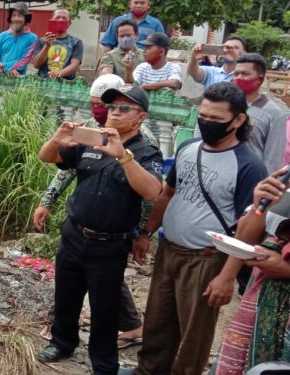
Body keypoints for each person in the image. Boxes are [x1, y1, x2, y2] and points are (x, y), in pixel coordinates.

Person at [124, 82, 268, 375]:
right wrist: (146, 233)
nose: (206, 123)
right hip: (169, 251)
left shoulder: (248, 165)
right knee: (157, 322)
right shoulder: (188, 147)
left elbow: (247, 229)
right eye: (203, 116)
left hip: (207, 258)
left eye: (216, 120)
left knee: (194, 334)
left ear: (238, 120)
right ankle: (148, 370)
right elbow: (168, 192)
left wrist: (227, 276)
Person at [36, 85, 164, 374]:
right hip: (73, 235)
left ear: (140, 117)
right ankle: (62, 342)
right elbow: (48, 157)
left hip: (109, 244)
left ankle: (104, 363)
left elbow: (151, 191)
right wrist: (57, 139)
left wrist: (123, 156)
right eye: (112, 107)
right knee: (66, 295)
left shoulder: (146, 151)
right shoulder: (91, 141)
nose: (114, 112)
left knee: (104, 307)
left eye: (123, 108)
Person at [212, 167, 290, 374]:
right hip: (261, 301)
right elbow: (246, 237)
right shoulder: (283, 182)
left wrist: (286, 269)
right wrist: (259, 205)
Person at [236, 53, 287, 174]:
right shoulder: (226, 104)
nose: (238, 78)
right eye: (236, 73)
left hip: (249, 178)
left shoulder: (274, 114)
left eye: (245, 74)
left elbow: (272, 159)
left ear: (260, 79)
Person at [0, 2, 37, 78]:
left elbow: (22, 62)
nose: (16, 19)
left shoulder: (32, 38)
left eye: (20, 15)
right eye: (14, 15)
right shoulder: (2, 35)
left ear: (26, 18)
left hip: (18, 79)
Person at [32, 8, 83, 80]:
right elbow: (36, 65)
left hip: (67, 83)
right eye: (57, 17)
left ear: (69, 23)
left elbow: (74, 65)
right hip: (43, 82)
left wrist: (58, 73)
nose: (61, 20)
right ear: (52, 21)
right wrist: (47, 46)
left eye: (64, 18)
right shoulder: (41, 41)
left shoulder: (76, 42)